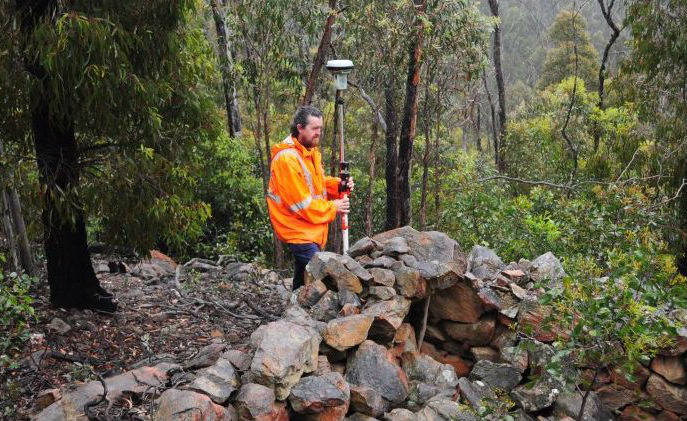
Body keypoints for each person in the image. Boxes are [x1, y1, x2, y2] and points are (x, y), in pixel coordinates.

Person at [266, 106, 353, 290]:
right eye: (314, 128)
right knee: (324, 279)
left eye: (320, 128)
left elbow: (317, 184)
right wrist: (334, 207)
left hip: (310, 229)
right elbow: (302, 205)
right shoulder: (287, 160)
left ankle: (294, 312)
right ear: (300, 128)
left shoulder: (309, 153)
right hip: (297, 230)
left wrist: (338, 186)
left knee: (302, 281)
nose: (318, 133)